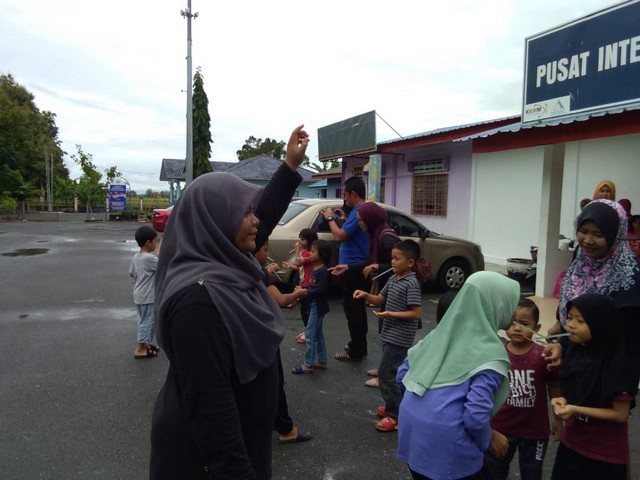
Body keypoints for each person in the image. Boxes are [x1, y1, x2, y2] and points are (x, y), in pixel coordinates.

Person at [149, 125, 309, 479]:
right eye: (245, 212)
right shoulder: (197, 302)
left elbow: (262, 218)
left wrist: (289, 166)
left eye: (253, 211)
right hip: (203, 462)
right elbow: (212, 411)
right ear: (216, 221)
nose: (256, 222)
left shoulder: (225, 261)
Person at [396, 271, 520, 480]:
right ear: (497, 304)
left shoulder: (439, 336)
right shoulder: (490, 353)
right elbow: (475, 416)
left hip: (413, 437)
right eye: (511, 302)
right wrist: (489, 438)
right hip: (449, 450)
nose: (514, 311)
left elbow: (402, 376)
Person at [549, 199, 640, 389]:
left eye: (598, 234)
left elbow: (626, 342)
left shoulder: (628, 278)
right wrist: (560, 332)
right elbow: (570, 292)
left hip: (604, 374)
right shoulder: (581, 257)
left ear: (616, 234)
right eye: (583, 231)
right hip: (575, 360)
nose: (588, 240)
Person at [550, 293, 635, 480]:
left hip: (603, 454)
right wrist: (562, 400)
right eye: (569, 318)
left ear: (600, 324)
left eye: (580, 320)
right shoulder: (577, 352)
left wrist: (574, 409)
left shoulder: (616, 364)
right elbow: (572, 391)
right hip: (571, 443)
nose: (571, 325)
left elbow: (620, 414)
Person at [482, 297, 560, 480]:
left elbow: (554, 385)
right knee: (494, 472)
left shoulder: (544, 356)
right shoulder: (496, 353)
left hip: (535, 431)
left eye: (524, 324)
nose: (517, 328)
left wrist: (557, 417)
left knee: (532, 473)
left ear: (536, 328)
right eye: (513, 323)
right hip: (501, 427)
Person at [353, 239, 423, 432]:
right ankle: (396, 405)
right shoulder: (393, 279)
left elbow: (416, 313)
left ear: (410, 262)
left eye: (397, 259)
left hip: (400, 337)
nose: (392, 262)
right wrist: (365, 295)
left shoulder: (412, 283)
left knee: (386, 374)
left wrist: (391, 314)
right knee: (394, 373)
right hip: (389, 333)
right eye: (392, 258)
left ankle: (395, 415)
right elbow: (379, 299)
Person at [329, 201, 401, 386]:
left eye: (361, 220)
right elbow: (369, 263)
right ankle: (386, 369)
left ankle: (388, 377)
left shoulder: (386, 239)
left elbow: (406, 263)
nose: (360, 224)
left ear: (370, 220)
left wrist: (378, 267)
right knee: (386, 329)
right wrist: (347, 267)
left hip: (397, 292)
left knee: (393, 333)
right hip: (388, 289)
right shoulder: (375, 235)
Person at [254, 238, 312, 445]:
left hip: (248, 335)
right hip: (263, 336)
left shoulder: (232, 267)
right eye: (264, 250)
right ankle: (286, 429)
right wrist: (299, 293)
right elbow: (281, 299)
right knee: (274, 381)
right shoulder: (256, 270)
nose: (266, 254)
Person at [320, 176, 369, 362]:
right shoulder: (359, 212)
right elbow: (351, 230)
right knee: (358, 309)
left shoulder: (359, 211)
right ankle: (359, 345)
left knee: (353, 311)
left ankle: (356, 350)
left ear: (353, 194)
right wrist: (343, 219)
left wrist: (329, 218)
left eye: (346, 195)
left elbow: (340, 236)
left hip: (352, 269)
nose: (345, 199)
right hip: (356, 266)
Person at [291, 239, 332, 374]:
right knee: (318, 334)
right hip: (313, 304)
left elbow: (321, 289)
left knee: (310, 334)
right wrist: (303, 288)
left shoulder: (323, 271)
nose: (310, 254)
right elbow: (313, 286)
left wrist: (306, 291)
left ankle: (308, 364)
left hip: (317, 306)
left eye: (313, 252)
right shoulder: (315, 268)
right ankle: (322, 360)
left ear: (322, 254)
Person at [129, 225, 161, 359]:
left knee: (144, 320)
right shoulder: (149, 259)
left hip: (139, 294)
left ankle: (145, 344)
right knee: (147, 322)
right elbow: (163, 264)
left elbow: (132, 273)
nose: (156, 244)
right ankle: (139, 349)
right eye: (155, 241)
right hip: (148, 296)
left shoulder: (136, 257)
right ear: (148, 243)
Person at [282, 228, 318, 344]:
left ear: (309, 240)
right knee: (304, 309)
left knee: (307, 310)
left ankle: (310, 332)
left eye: (302, 240)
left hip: (308, 285)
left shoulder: (310, 254)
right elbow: (301, 267)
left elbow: (298, 262)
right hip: (304, 283)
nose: (300, 242)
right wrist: (290, 266)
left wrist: (297, 250)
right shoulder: (306, 252)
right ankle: (308, 330)